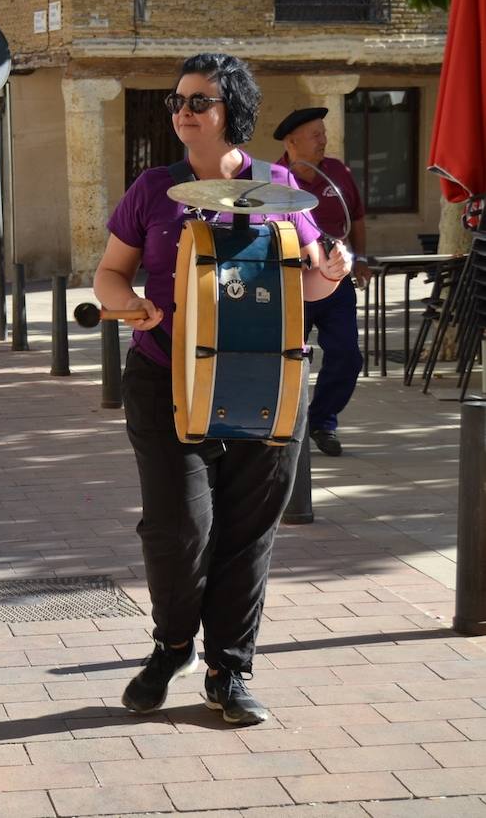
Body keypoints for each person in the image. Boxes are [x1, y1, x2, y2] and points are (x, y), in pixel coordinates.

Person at [93, 54, 350, 726]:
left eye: (199, 101)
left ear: (231, 111)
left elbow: (314, 282)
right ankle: (172, 645)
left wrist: (335, 269)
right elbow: (109, 277)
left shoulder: (284, 189)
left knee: (247, 532)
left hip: (267, 375)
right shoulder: (153, 188)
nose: (184, 111)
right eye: (179, 100)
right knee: (180, 529)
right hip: (166, 376)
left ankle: (228, 671)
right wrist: (130, 308)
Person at [274, 107, 371, 457]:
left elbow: (355, 217)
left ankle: (322, 420)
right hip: (293, 283)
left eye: (324, 133)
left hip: (336, 278)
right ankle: (282, 423)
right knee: (286, 357)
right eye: (315, 134)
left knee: (347, 354)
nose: (323, 140)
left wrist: (359, 259)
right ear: (291, 141)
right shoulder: (274, 178)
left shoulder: (337, 173)